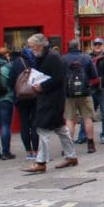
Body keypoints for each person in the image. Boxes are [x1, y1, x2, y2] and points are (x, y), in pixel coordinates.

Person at [21, 33, 77, 173]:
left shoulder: (52, 57)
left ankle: (41, 162)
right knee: (60, 129)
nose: (31, 49)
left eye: (32, 47)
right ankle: (71, 156)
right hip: (50, 98)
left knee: (42, 129)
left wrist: (42, 86)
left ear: (40, 45)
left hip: (52, 99)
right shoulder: (43, 56)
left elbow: (59, 78)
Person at [61, 39, 98, 153]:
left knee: (69, 119)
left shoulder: (63, 59)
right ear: (78, 46)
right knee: (87, 118)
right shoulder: (86, 58)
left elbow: (60, 76)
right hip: (85, 92)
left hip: (69, 93)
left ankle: (68, 147)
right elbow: (94, 75)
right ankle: (90, 144)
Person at [8, 45, 39, 161]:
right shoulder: (36, 61)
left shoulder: (16, 62)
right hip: (35, 96)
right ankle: (36, 151)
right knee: (35, 123)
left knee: (24, 124)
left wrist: (16, 91)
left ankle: (29, 152)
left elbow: (10, 80)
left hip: (20, 98)